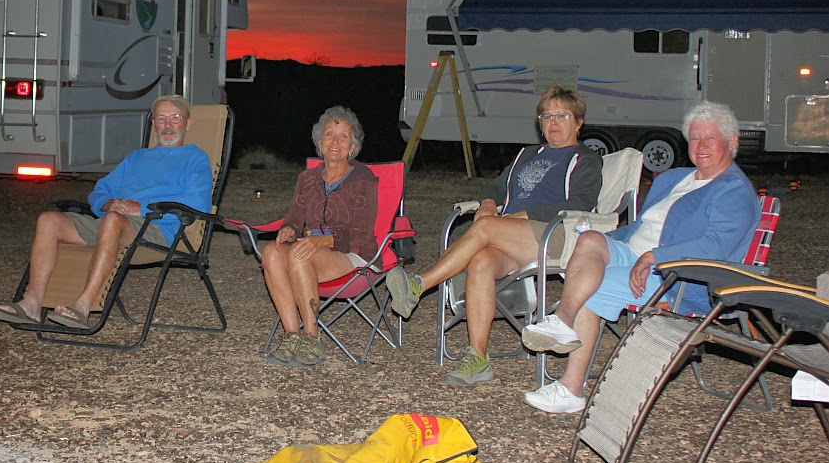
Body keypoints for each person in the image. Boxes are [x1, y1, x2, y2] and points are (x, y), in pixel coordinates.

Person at [520, 101, 759, 414]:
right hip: (637, 257)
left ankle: (571, 389)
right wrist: (602, 238)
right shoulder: (673, 179)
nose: (700, 147)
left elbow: (714, 247)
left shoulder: (733, 191)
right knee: (590, 239)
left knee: (593, 284)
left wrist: (653, 257)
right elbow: (639, 227)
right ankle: (563, 321)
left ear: (731, 143)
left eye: (710, 139)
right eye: (695, 139)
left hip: (680, 277)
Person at [386, 85, 602, 386]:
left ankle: (419, 284)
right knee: (482, 261)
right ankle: (478, 357)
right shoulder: (527, 154)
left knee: (486, 227)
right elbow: (497, 187)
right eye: (547, 116)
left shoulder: (585, 159)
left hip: (555, 234)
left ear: (578, 122)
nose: (553, 123)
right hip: (512, 237)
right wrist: (488, 202)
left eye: (562, 116)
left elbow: (580, 203)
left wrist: (519, 216)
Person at [0, 95, 212, 328]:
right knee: (49, 220)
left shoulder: (196, 159)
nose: (167, 125)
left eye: (175, 118)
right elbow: (100, 190)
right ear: (154, 123)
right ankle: (31, 303)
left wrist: (141, 209)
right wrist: (107, 204)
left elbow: (198, 204)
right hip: (112, 223)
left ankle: (83, 306)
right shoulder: (137, 157)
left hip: (158, 230)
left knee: (113, 221)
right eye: (161, 118)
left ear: (188, 123)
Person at [261, 106, 379, 367]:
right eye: (329, 135)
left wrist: (322, 241)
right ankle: (292, 335)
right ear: (319, 141)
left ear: (353, 146)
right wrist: (288, 229)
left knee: (300, 254)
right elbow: (293, 218)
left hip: (354, 254)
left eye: (343, 136)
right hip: (311, 251)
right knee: (272, 252)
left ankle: (312, 338)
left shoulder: (363, 179)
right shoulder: (307, 178)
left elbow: (362, 233)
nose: (335, 142)